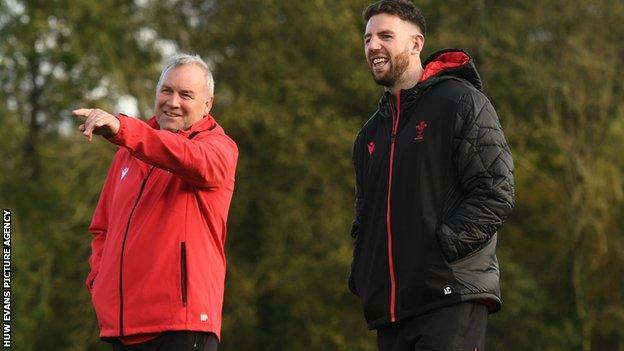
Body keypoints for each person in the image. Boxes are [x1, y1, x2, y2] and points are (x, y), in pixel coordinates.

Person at [348, 1, 515, 350]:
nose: (373, 46)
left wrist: (440, 250)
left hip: (450, 297)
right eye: (367, 38)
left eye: (385, 36)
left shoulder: (461, 102)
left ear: (416, 43)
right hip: (391, 310)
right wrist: (364, 274)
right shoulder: (368, 137)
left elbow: (495, 191)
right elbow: (364, 220)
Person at [74, 53, 238, 351]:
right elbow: (102, 230)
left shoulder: (219, 149)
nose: (173, 102)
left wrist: (124, 130)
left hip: (181, 327)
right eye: (167, 91)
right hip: (122, 328)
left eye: (186, 94)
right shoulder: (127, 153)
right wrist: (99, 282)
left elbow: (186, 156)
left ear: (207, 105)